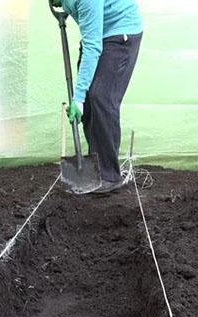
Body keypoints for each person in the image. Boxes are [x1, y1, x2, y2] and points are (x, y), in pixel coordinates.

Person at [54, 0, 143, 193]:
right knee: (88, 99)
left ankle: (109, 175)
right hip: (100, 32)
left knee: (100, 97)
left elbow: (92, 47)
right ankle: (95, 167)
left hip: (121, 33)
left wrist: (78, 98)